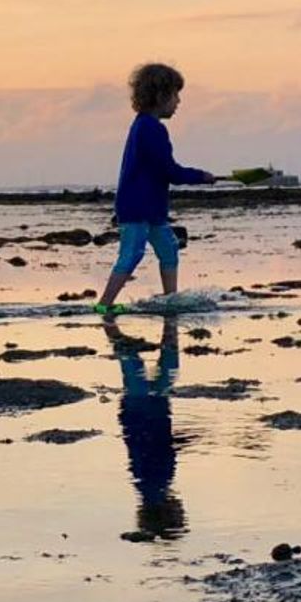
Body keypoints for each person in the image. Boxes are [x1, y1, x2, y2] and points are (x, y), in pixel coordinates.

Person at [98, 60, 212, 310]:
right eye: (175, 95)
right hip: (137, 208)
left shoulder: (143, 125)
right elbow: (169, 170)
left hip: (151, 209)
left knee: (169, 248)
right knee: (131, 254)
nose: (178, 102)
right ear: (160, 96)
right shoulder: (150, 129)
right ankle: (104, 305)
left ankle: (170, 299)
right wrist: (200, 176)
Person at [108, 309, 188, 542]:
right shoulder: (150, 487)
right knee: (162, 372)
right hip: (145, 416)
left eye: (179, 514)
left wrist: (184, 441)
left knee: (143, 369)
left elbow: (161, 450)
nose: (181, 508)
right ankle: (168, 329)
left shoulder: (156, 484)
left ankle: (124, 335)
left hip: (143, 415)